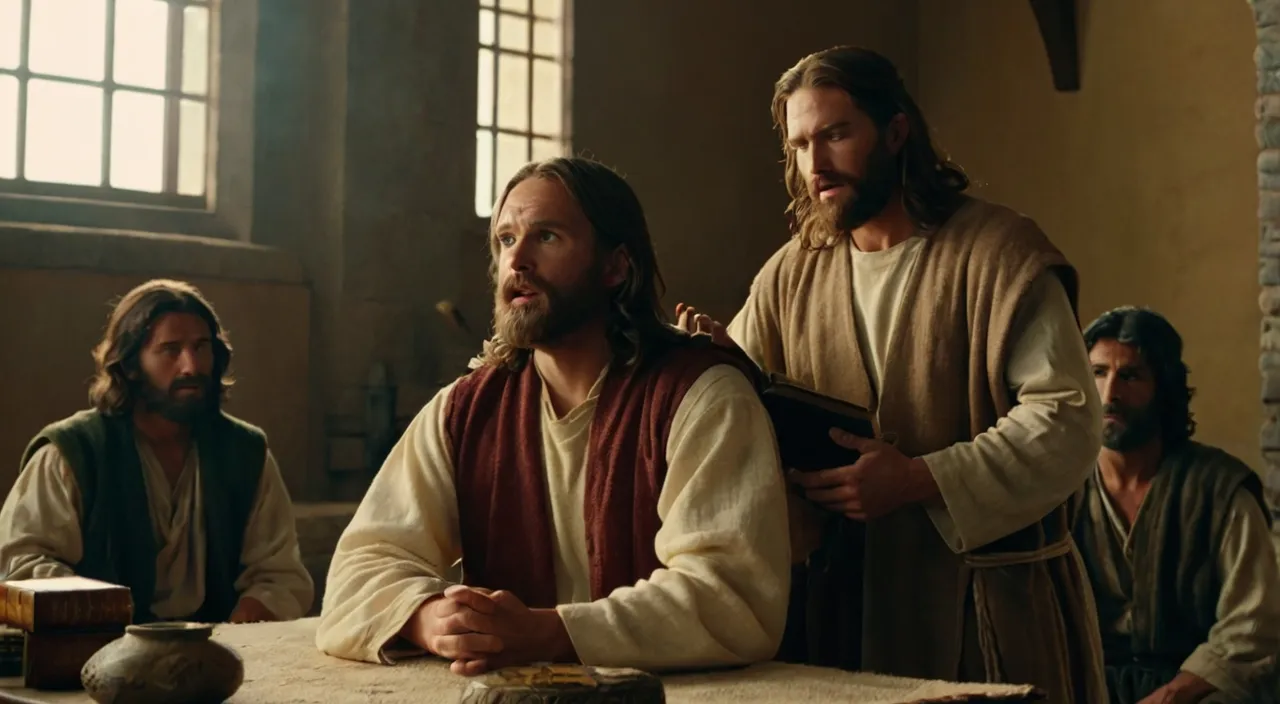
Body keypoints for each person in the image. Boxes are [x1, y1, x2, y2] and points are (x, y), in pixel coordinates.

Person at [675, 46, 1106, 701]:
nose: (815, 165)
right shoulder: (792, 272)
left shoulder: (998, 255)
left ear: (897, 131)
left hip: (988, 613)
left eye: (836, 135)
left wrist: (917, 479)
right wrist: (718, 367)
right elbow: (748, 405)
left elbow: (1068, 418)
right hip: (842, 612)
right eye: (798, 145)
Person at [314, 157, 791, 676]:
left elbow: (731, 595)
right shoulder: (466, 410)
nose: (516, 259)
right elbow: (361, 565)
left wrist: (548, 632)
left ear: (615, 266)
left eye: (546, 237)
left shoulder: (701, 396)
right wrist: (429, 618)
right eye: (505, 239)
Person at [0, 279, 314, 624]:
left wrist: (244, 623)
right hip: (95, 652)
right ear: (131, 364)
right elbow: (21, 562)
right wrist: (103, 615)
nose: (191, 367)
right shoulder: (75, 452)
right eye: (170, 349)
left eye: (201, 347)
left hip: (217, 652)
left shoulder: (245, 453)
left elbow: (280, 575)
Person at [1075, 307, 1280, 704]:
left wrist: (1173, 694)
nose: (1109, 394)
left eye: (1130, 376)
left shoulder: (1218, 490)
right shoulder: (1062, 489)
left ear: (1163, 387)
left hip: (1194, 686)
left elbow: (1253, 624)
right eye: (1098, 372)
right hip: (1086, 681)